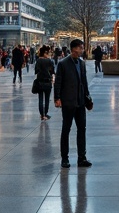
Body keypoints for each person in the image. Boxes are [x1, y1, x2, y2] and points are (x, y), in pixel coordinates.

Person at [54, 38, 91, 167]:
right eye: (81, 47)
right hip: (68, 102)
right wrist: (57, 98)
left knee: (82, 129)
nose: (82, 50)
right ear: (74, 49)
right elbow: (58, 82)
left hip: (80, 102)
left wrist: (87, 97)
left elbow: (84, 82)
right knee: (66, 129)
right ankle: (65, 158)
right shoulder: (63, 63)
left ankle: (82, 157)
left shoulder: (81, 63)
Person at [34, 44, 55, 120]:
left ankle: (41, 114)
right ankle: (45, 114)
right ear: (45, 53)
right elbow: (52, 71)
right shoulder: (50, 61)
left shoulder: (38, 61)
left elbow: (36, 71)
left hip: (40, 82)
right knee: (47, 99)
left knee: (40, 99)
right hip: (47, 82)